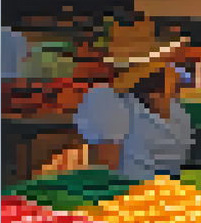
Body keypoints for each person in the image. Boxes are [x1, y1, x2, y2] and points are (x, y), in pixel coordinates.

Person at [73, 17, 194, 181]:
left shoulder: (105, 98)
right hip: (163, 197)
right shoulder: (177, 111)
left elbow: (102, 173)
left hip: (128, 198)